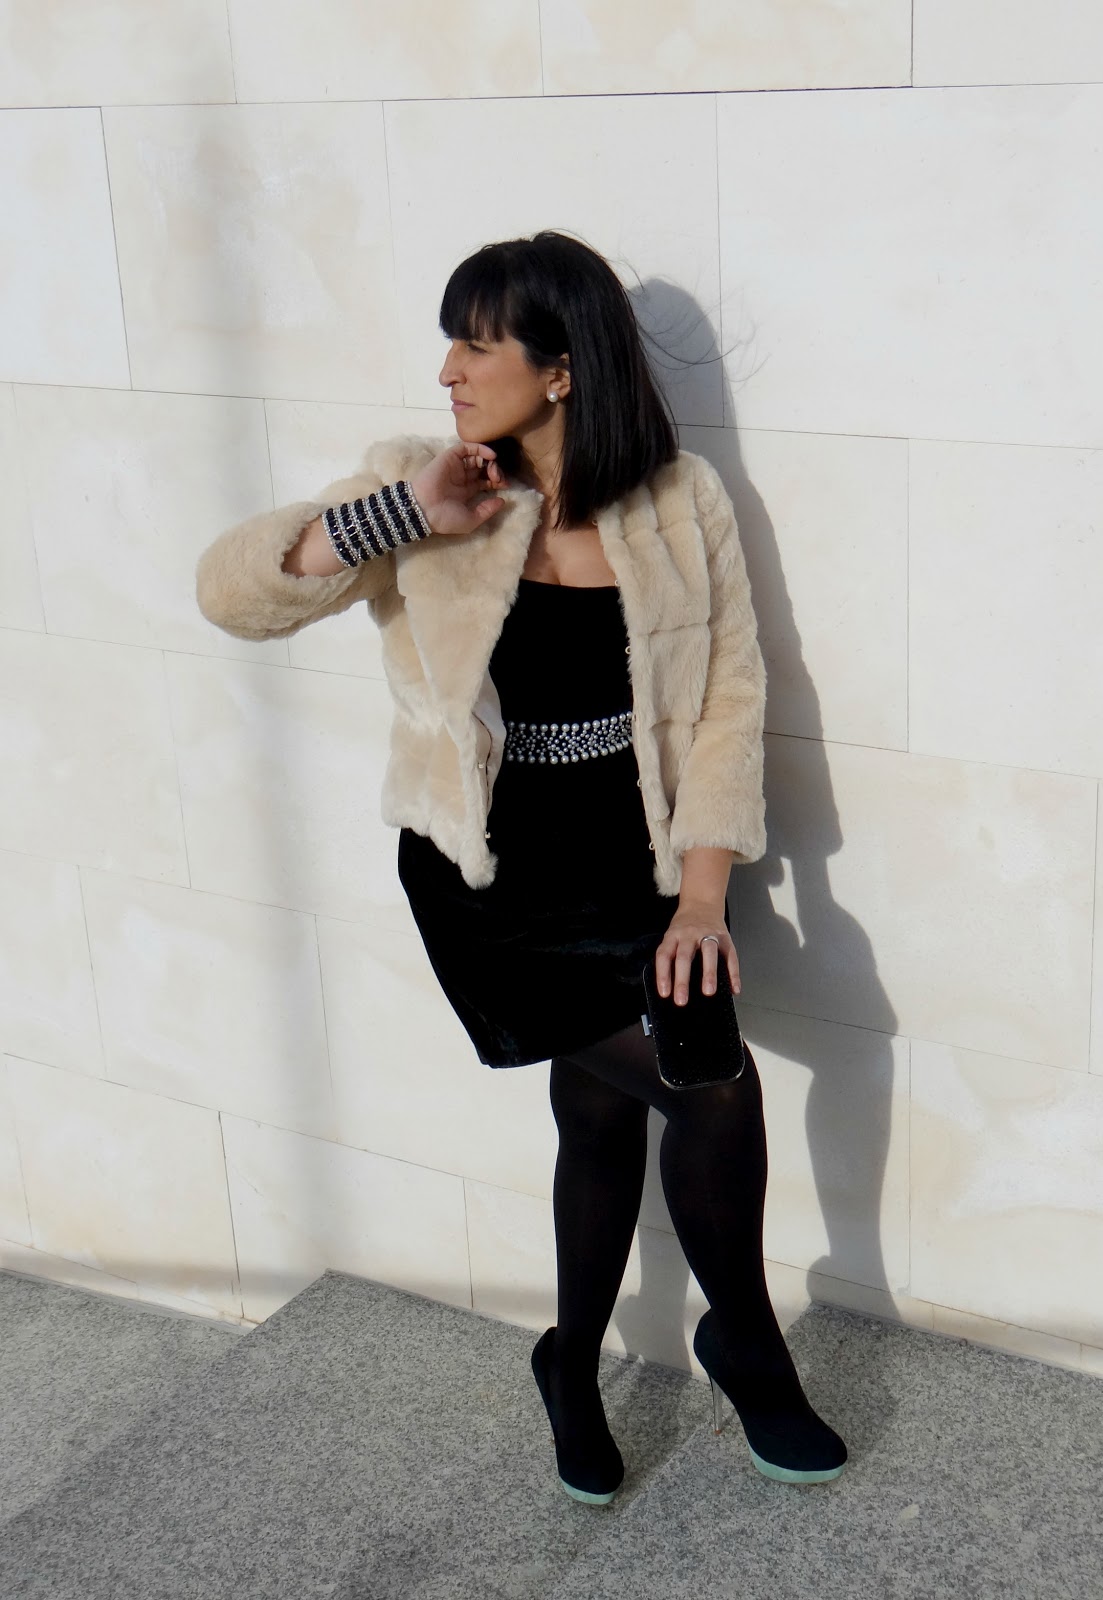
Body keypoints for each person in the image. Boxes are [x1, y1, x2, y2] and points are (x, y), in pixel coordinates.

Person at [195, 231, 847, 1505]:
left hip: (636, 863)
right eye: (449, 343)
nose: (448, 369)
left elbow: (732, 696)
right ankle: (749, 1347)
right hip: (488, 881)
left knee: (607, 1110)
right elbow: (235, 593)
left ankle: (571, 1363)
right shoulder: (424, 481)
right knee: (709, 1087)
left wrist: (704, 893)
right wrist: (406, 512)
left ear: (560, 369)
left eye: (475, 344)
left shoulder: (681, 501)